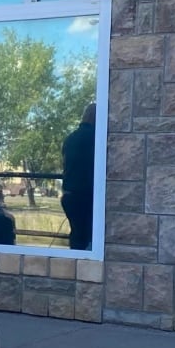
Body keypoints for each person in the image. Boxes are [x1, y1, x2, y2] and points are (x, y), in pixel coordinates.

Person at [61, 103, 96, 250]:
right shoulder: (96, 138)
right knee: (88, 238)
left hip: (69, 197)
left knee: (77, 235)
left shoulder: (70, 138)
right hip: (86, 197)